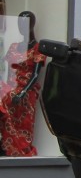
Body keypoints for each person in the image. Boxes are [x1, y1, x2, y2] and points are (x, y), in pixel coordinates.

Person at [1, 11, 46, 157]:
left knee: (23, 124)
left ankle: (21, 148)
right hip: (11, 87)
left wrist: (22, 92)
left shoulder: (38, 48)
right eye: (19, 23)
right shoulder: (14, 46)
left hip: (26, 89)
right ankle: (6, 145)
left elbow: (35, 75)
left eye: (24, 23)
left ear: (32, 25)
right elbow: (8, 71)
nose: (21, 27)